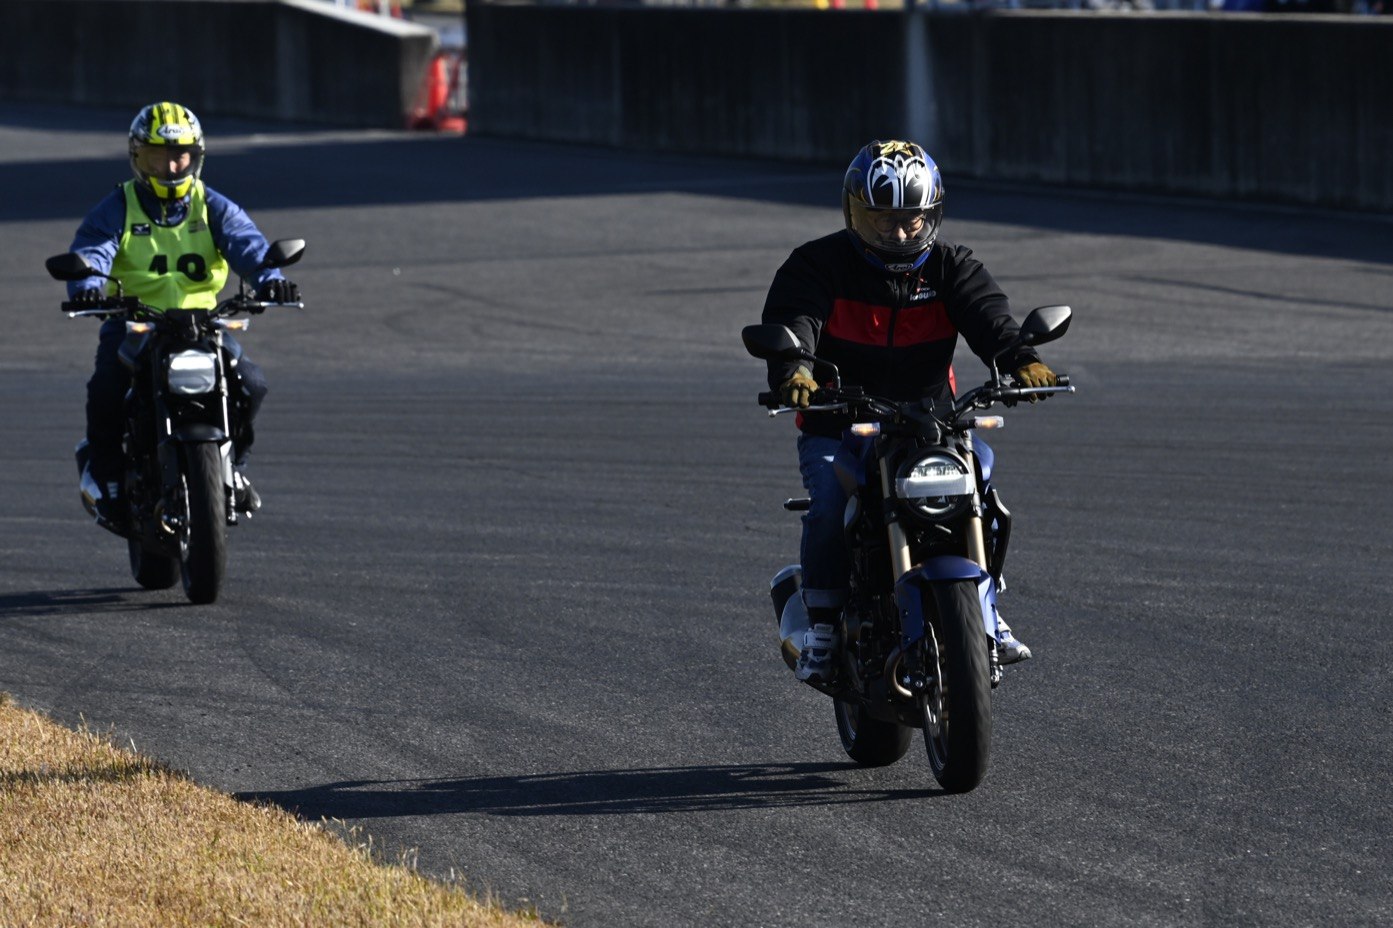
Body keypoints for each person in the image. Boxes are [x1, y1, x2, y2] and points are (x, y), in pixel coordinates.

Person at [759, 139, 1059, 684]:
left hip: (933, 424)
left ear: (931, 216)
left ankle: (986, 608)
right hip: (839, 424)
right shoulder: (818, 265)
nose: (899, 235)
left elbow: (991, 317)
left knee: (980, 485)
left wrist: (1022, 360)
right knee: (829, 502)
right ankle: (822, 624)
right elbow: (795, 322)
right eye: (883, 221)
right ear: (854, 214)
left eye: (911, 221)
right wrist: (794, 372)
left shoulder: (951, 266)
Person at [67, 101, 298, 524]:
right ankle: (106, 476)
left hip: (203, 324)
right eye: (158, 157)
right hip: (134, 323)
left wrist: (270, 280)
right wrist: (86, 290)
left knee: (252, 384)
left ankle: (234, 467)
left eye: (180, 156)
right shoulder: (118, 206)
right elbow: (92, 251)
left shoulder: (213, 205)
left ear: (196, 157)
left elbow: (248, 245)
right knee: (106, 389)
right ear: (138, 158)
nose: (171, 167)